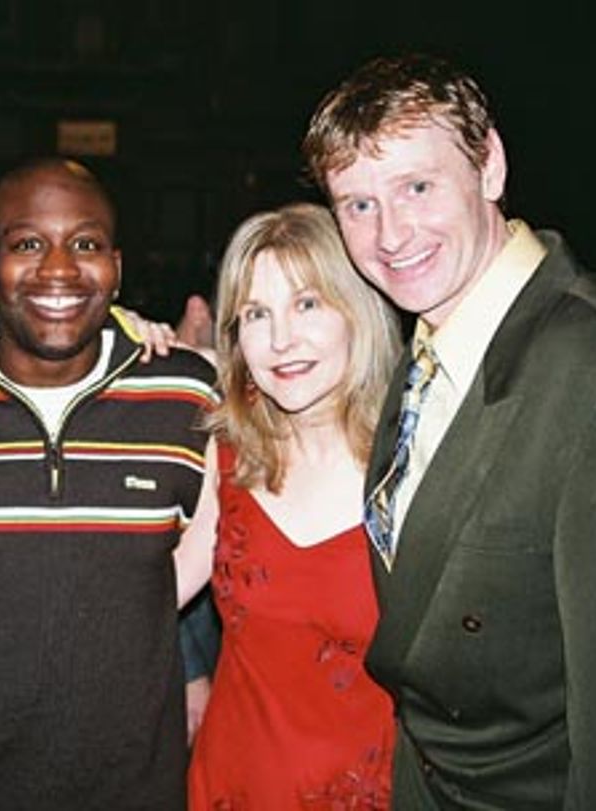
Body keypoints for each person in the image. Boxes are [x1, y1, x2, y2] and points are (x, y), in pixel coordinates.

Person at [302, 53, 596, 809]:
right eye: (357, 205)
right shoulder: (426, 345)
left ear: (489, 167)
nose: (390, 234)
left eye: (417, 187)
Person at [0, 158, 218, 810]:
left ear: (117, 268)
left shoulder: (186, 395)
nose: (59, 268)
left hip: (134, 790)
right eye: (27, 244)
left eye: (85, 243)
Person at [175, 202, 401, 809]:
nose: (280, 340)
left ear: (357, 309)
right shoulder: (226, 459)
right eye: (256, 313)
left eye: (307, 303)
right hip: (229, 786)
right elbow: (144, 598)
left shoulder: (417, 467)